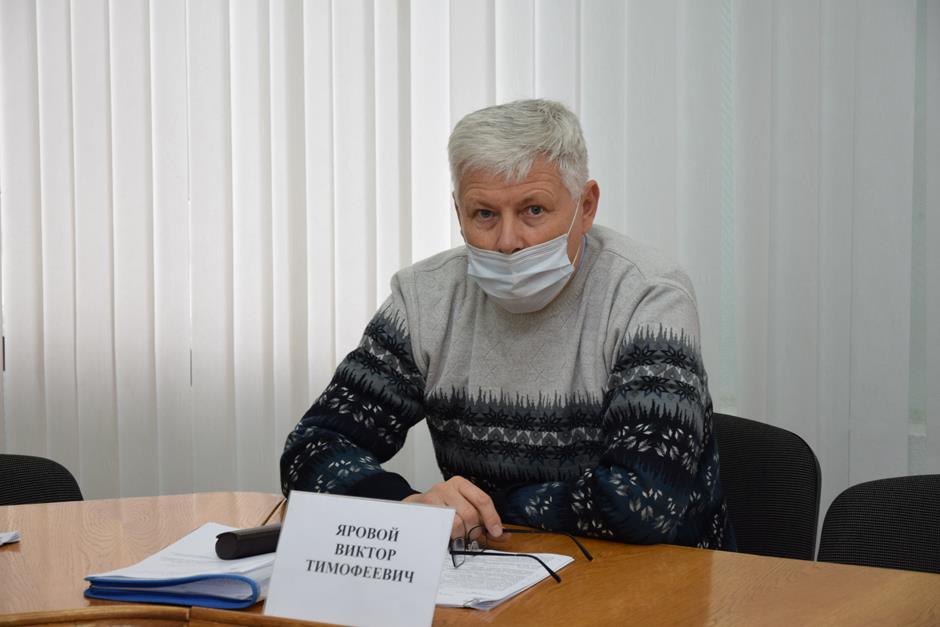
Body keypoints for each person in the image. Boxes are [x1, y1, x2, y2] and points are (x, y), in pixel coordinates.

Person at [281, 99, 734, 550]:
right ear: (458, 213)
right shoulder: (424, 298)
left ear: (586, 206)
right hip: (496, 570)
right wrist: (407, 505)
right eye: (485, 214)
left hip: (664, 577)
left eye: (533, 210)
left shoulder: (647, 296)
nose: (508, 241)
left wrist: (481, 511)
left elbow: (643, 502)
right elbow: (311, 448)